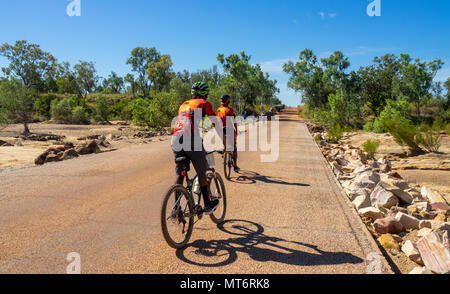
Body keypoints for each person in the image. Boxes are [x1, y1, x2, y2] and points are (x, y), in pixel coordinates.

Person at [171, 81, 219, 215]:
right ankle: (208, 204)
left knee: (180, 172)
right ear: (205, 93)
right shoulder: (204, 103)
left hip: (175, 139)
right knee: (201, 171)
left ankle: (176, 208)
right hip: (191, 139)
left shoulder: (183, 104)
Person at [216, 94, 240, 172]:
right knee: (234, 148)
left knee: (225, 144)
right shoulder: (230, 110)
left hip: (221, 130)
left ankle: (224, 152)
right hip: (229, 130)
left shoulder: (218, 110)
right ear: (228, 101)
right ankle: (235, 166)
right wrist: (236, 129)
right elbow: (234, 121)